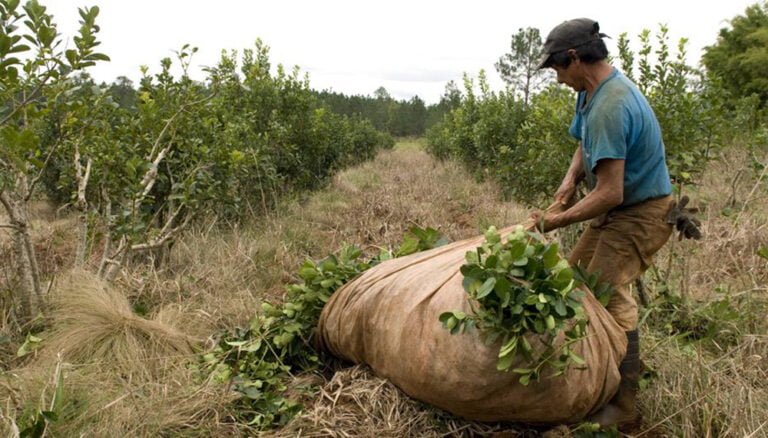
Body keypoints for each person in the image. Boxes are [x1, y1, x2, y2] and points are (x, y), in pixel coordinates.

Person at [529, 18, 675, 429]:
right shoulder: (590, 93)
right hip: (617, 210)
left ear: (575, 58)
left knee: (604, 296)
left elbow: (610, 192)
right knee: (575, 280)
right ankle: (584, 379)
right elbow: (584, 144)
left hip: (640, 212)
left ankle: (623, 407)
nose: (557, 79)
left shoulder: (613, 105)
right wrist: (569, 181)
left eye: (557, 68)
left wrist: (553, 221)